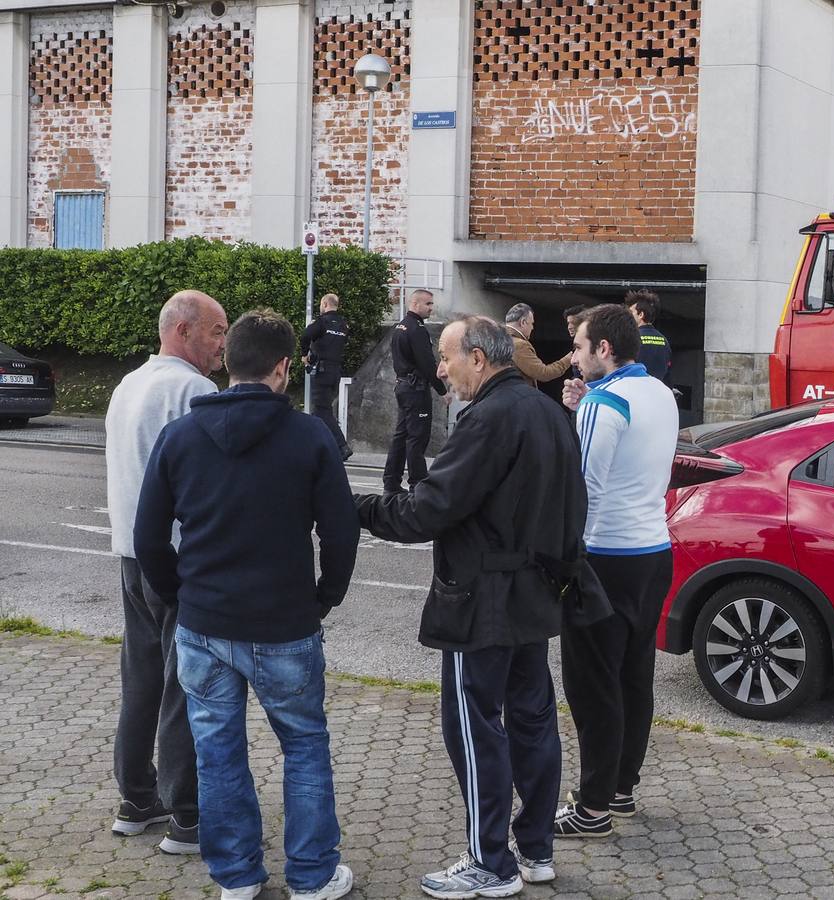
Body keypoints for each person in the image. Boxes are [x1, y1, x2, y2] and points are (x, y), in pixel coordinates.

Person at [356, 315, 588, 899]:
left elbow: (427, 510)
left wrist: (354, 507)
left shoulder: (487, 418)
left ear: (479, 361)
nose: (441, 368)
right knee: (533, 721)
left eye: (446, 357)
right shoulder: (549, 413)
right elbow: (574, 507)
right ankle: (534, 849)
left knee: (475, 725)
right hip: (534, 595)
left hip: (482, 602)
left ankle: (491, 860)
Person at [134, 309, 359, 900]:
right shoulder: (311, 437)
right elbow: (341, 533)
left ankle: (236, 876)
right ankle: (311, 877)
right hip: (286, 624)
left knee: (217, 751)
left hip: (204, 625)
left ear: (228, 362)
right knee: (305, 747)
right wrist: (324, 598)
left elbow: (148, 537)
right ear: (285, 367)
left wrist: (181, 597)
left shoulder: (179, 436)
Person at [104, 289, 227, 855]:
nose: (223, 345)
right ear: (183, 331)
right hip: (179, 559)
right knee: (187, 684)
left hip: (131, 553)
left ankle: (135, 797)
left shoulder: (129, 383)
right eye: (216, 331)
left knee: (142, 677)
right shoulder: (195, 390)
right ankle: (188, 816)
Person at [553, 303, 678, 839]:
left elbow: (582, 490)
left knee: (592, 686)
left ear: (604, 348)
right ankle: (622, 789)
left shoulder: (604, 403)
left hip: (605, 558)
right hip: (653, 551)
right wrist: (582, 411)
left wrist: (561, 560)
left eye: (579, 348)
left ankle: (592, 808)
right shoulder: (658, 393)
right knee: (634, 675)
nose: (574, 358)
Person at [384, 290, 447, 495]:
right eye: (428, 303)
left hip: (403, 386)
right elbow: (427, 363)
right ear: (415, 303)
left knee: (401, 436)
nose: (431, 307)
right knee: (417, 438)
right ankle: (417, 484)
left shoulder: (400, 326)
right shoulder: (417, 328)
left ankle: (391, 483)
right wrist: (442, 390)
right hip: (416, 389)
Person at [300, 293, 353, 461]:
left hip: (322, 371)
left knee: (322, 411)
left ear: (324, 304)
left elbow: (305, 336)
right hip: (335, 372)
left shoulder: (321, 322)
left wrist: (304, 355)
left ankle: (342, 446)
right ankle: (316, 447)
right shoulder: (344, 325)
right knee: (321, 411)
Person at [502, 302, 572, 388]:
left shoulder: (499, 340)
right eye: (532, 323)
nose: (532, 328)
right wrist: (568, 359)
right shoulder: (519, 345)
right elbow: (544, 373)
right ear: (523, 322)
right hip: (518, 396)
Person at [625, 290, 671, 386]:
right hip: (657, 393)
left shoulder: (631, 339)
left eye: (631, 312)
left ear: (641, 315)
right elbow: (667, 374)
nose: (628, 316)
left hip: (634, 391)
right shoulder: (664, 341)